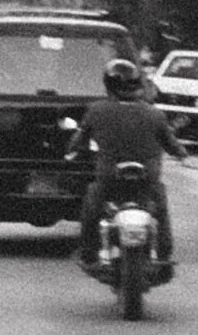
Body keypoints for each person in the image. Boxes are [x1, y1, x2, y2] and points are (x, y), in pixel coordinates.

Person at [74, 56, 176, 281]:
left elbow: (78, 140)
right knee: (160, 205)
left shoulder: (97, 110)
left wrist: (73, 150)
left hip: (109, 178)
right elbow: (172, 144)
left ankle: (89, 253)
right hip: (147, 179)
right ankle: (165, 255)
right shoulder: (155, 114)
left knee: (92, 203)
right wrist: (181, 154)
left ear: (108, 85)